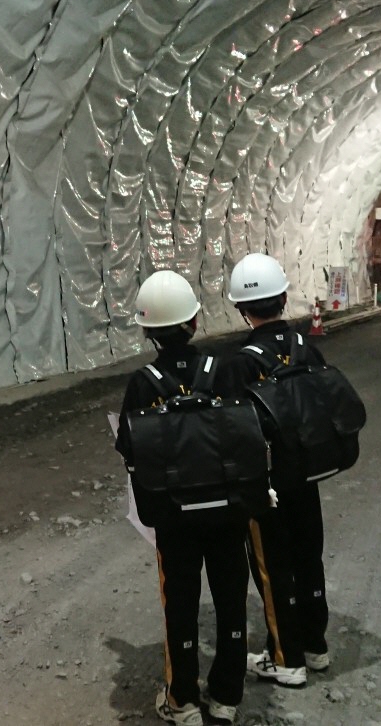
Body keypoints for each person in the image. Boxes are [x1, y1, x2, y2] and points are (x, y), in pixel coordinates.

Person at [114, 271, 250, 726]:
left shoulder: (142, 383)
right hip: (227, 509)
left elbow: (130, 448)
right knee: (231, 597)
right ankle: (227, 696)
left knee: (182, 602)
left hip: (174, 515)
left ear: (148, 331)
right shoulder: (222, 370)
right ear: (194, 323)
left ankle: (183, 700)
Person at [217, 252, 331, 687]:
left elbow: (229, 429)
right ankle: (315, 645)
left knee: (273, 567)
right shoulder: (306, 346)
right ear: (283, 297)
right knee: (309, 557)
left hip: (266, 485)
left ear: (241, 308)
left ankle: (285, 658)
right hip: (307, 474)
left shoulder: (240, 362)